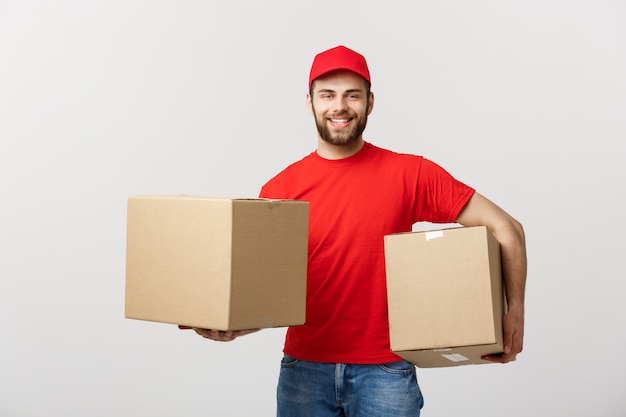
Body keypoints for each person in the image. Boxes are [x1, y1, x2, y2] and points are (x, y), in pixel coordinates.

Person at [187, 45, 527, 417]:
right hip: (304, 372)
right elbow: (270, 296)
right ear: (310, 102)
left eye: (352, 95)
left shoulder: (410, 174)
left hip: (387, 373)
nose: (340, 106)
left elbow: (507, 228)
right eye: (327, 95)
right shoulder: (279, 191)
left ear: (370, 102)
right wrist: (235, 326)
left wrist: (514, 313)